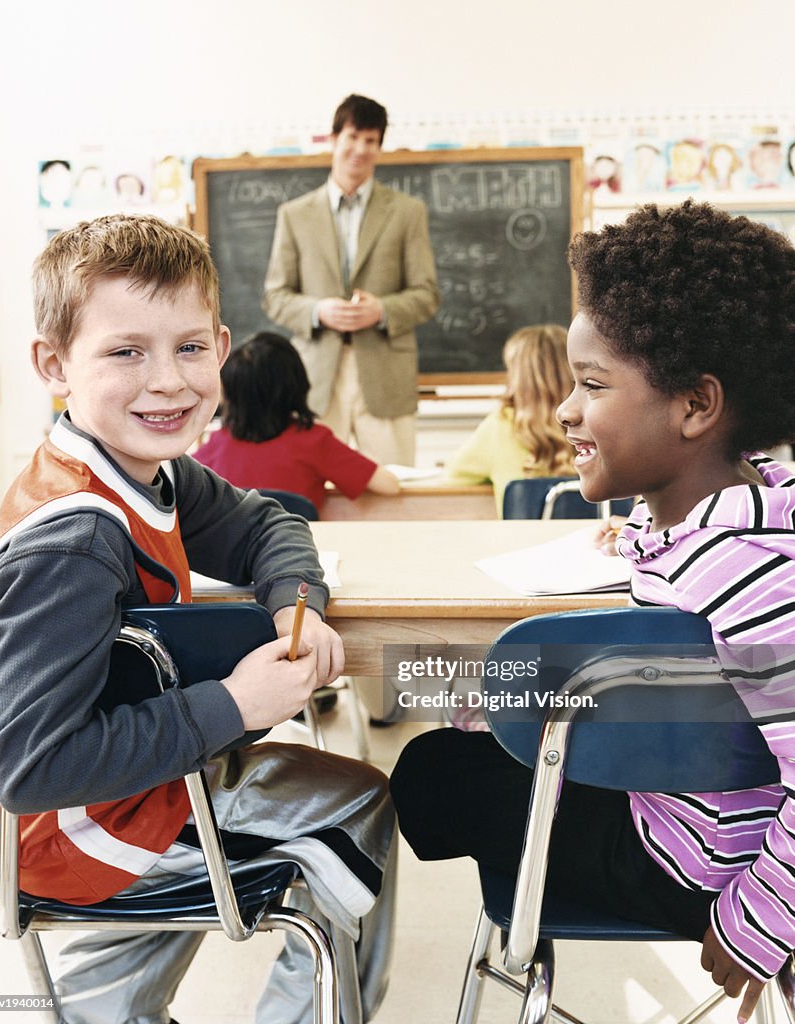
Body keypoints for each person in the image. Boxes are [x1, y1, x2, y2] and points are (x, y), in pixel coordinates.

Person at [0, 214, 396, 1024]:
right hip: (80, 834)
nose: (168, 381)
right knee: (359, 803)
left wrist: (291, 609)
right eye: (126, 351)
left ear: (224, 348)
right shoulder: (73, 537)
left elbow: (268, 524)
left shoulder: (143, 469)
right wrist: (237, 706)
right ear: (53, 363)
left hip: (132, 796)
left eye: (190, 348)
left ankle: (112, 1004)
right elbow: (33, 769)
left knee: (319, 796)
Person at [391, 199, 795, 1024]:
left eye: (594, 386)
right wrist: (646, 536)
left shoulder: (743, 578)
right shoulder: (740, 514)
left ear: (694, 405)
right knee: (476, 735)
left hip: (697, 866)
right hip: (687, 815)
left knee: (425, 776)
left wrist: (757, 924)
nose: (568, 410)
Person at [263, 93, 440, 467]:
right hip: (316, 379)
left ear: (379, 147)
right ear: (333, 139)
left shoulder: (407, 212)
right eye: (353, 137)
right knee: (314, 493)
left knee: (395, 487)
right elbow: (275, 296)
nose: (360, 149)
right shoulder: (295, 215)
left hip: (385, 375)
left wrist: (382, 311)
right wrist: (317, 310)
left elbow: (427, 294)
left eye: (371, 141)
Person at [194, 331, 400, 512]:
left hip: (231, 556)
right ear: (296, 385)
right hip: (298, 553)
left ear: (229, 393)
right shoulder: (315, 441)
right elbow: (389, 486)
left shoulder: (215, 446)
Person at [445, 324, 575, 516]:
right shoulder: (595, 424)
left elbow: (453, 476)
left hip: (522, 543)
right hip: (594, 543)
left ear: (517, 377)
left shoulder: (501, 426)